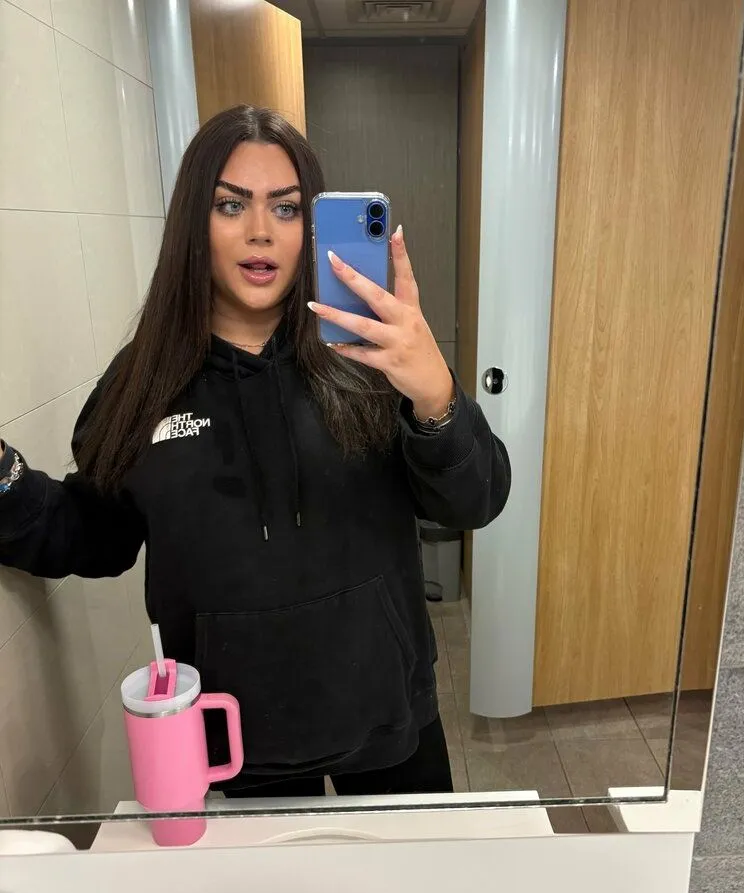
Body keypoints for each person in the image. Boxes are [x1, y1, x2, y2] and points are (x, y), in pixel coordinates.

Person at [0, 105, 510, 798]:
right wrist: (6, 481)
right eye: (231, 205)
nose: (261, 231)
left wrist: (436, 397)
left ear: (311, 227)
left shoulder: (373, 359)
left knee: (409, 874)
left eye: (287, 208)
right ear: (194, 223)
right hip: (237, 741)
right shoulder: (143, 381)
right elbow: (96, 534)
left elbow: (476, 501)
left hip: (391, 722)